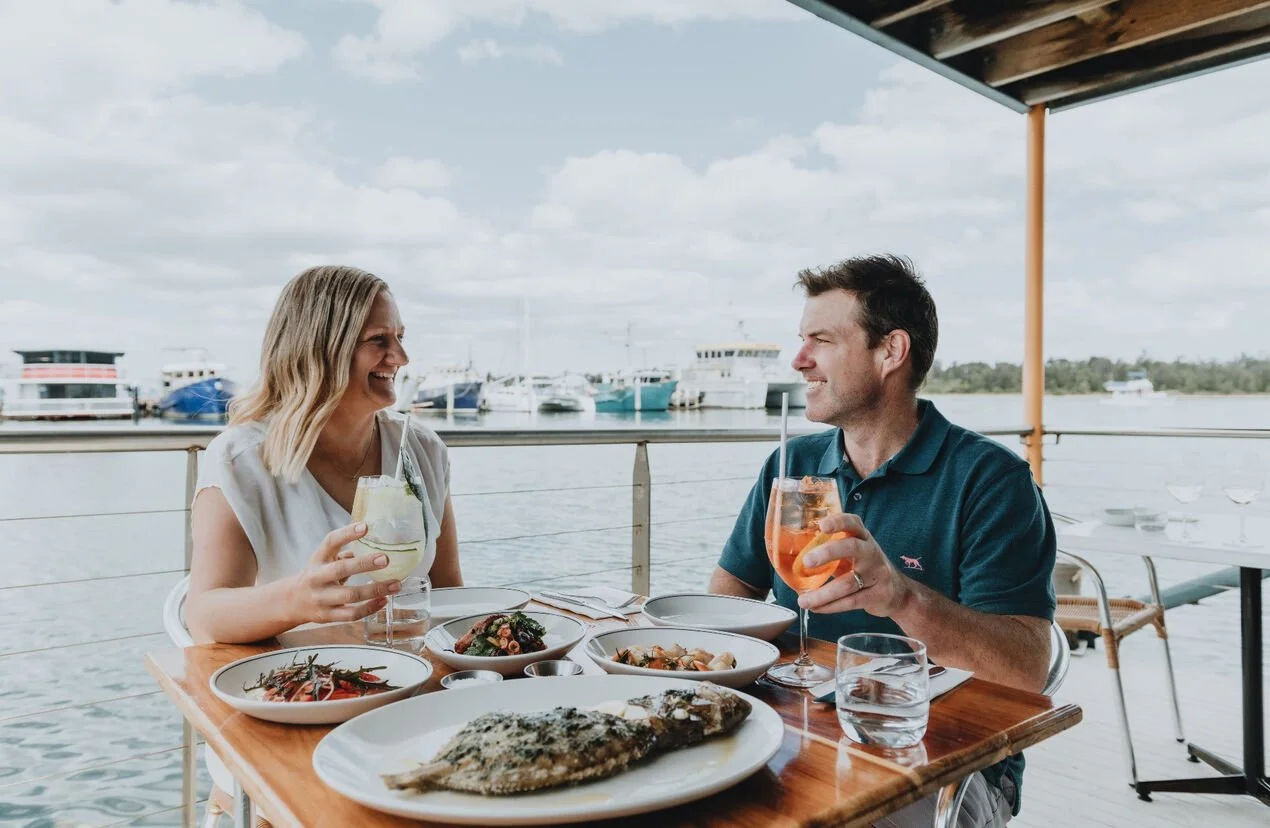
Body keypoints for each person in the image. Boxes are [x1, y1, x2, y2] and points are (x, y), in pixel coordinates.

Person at [709, 255, 1056, 827]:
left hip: (940, 762)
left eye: (821, 340)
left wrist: (900, 597)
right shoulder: (793, 467)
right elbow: (729, 591)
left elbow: (1025, 671)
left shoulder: (990, 481)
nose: (798, 360)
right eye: (802, 340)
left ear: (891, 351)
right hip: (787, 730)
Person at [186, 265, 463, 644]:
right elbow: (204, 617)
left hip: (414, 683)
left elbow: (450, 593)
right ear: (321, 351)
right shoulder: (240, 461)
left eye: (399, 337)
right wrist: (294, 601)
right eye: (379, 340)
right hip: (302, 688)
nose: (401, 356)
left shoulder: (423, 448)